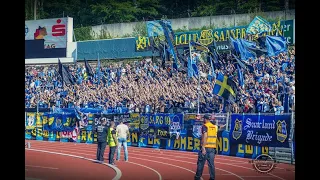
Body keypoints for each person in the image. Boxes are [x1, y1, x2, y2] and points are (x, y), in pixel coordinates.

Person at [194, 114, 219, 180]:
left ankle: (197, 177)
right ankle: (212, 178)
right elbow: (215, 137)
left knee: (200, 164)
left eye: (203, 118)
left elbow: (205, 136)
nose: (202, 120)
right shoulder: (214, 127)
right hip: (212, 148)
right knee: (211, 164)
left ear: (205, 119)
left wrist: (203, 147)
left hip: (206, 147)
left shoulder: (205, 126)